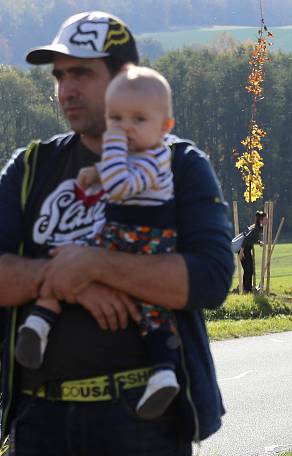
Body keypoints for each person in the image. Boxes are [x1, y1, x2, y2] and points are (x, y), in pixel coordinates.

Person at [0, 12, 233, 456]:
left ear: (124, 75)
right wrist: (68, 279)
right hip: (40, 424)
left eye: (81, 72)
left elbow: (212, 278)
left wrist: (99, 262)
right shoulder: (30, 168)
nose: (66, 88)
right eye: (59, 75)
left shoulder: (176, 165)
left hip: (144, 421)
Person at [15, 65, 183, 421]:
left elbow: (122, 185)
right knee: (65, 260)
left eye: (138, 119)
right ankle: (38, 324)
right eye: (116, 119)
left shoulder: (158, 157)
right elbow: (109, 176)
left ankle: (164, 372)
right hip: (122, 234)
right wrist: (95, 172)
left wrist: (112, 154)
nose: (125, 128)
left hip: (143, 240)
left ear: (165, 127)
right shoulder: (130, 154)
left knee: (152, 310)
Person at [240, 210, 265, 293]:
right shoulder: (256, 228)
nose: (267, 220)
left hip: (246, 249)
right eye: (265, 219)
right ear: (261, 220)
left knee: (249, 270)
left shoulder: (257, 228)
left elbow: (252, 239)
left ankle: (247, 289)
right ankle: (246, 289)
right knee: (248, 270)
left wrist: (259, 242)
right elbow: (246, 238)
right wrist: (241, 252)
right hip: (244, 250)